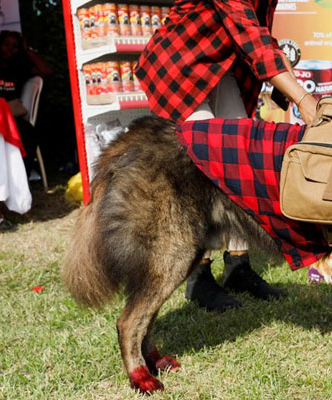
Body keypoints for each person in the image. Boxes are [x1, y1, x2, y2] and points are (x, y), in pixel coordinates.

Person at [135, 0, 318, 312]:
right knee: (205, 169)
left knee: (240, 159)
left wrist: (298, 92)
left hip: (218, 70)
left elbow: (263, 37)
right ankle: (198, 276)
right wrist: (302, 98)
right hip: (179, 64)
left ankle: (238, 266)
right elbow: (251, 37)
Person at [0, 30, 53, 181]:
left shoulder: (19, 68)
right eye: (6, 45)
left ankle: (21, 180)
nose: (10, 49)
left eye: (15, 46)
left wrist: (27, 51)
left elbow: (46, 71)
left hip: (10, 117)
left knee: (29, 133)